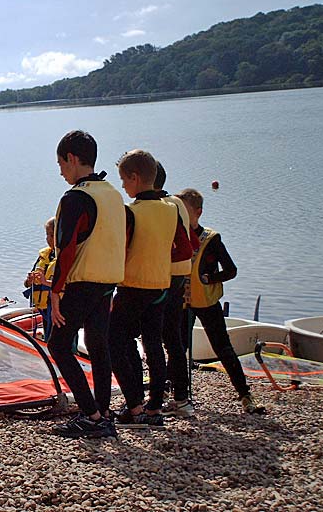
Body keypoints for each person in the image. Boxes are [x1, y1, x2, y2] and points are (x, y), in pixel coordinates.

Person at [47, 130, 126, 439]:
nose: (60, 170)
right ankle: (103, 412)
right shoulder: (112, 193)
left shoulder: (76, 197)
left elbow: (66, 249)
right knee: (97, 344)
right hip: (108, 281)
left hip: (82, 282)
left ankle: (91, 414)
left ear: (73, 158)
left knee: (58, 345)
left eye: (61, 163)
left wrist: (55, 291)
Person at [109, 149, 193, 428]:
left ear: (135, 178)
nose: (122, 186)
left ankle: (134, 407)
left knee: (115, 341)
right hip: (161, 285)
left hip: (134, 286)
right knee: (154, 343)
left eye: (123, 180)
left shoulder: (131, 212)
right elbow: (183, 248)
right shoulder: (171, 208)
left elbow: (120, 251)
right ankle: (155, 407)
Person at [176, 188, 265, 414]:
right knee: (178, 347)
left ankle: (245, 395)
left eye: (185, 212)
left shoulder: (212, 239)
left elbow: (231, 270)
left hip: (206, 301)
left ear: (198, 212)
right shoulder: (177, 235)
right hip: (183, 301)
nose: (182, 217)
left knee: (222, 347)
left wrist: (209, 278)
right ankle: (176, 394)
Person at [154, 162, 200, 418]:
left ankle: (157, 398)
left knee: (153, 339)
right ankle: (181, 397)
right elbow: (191, 241)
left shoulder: (157, 207)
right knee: (172, 339)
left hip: (159, 278)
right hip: (179, 276)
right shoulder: (178, 204)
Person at [22, 217, 56, 341]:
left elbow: (69, 286)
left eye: (52, 235)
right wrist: (30, 281)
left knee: (61, 343)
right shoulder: (44, 256)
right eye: (47, 235)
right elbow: (26, 284)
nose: (48, 239)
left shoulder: (67, 257)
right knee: (48, 340)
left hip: (59, 310)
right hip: (45, 310)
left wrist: (45, 282)